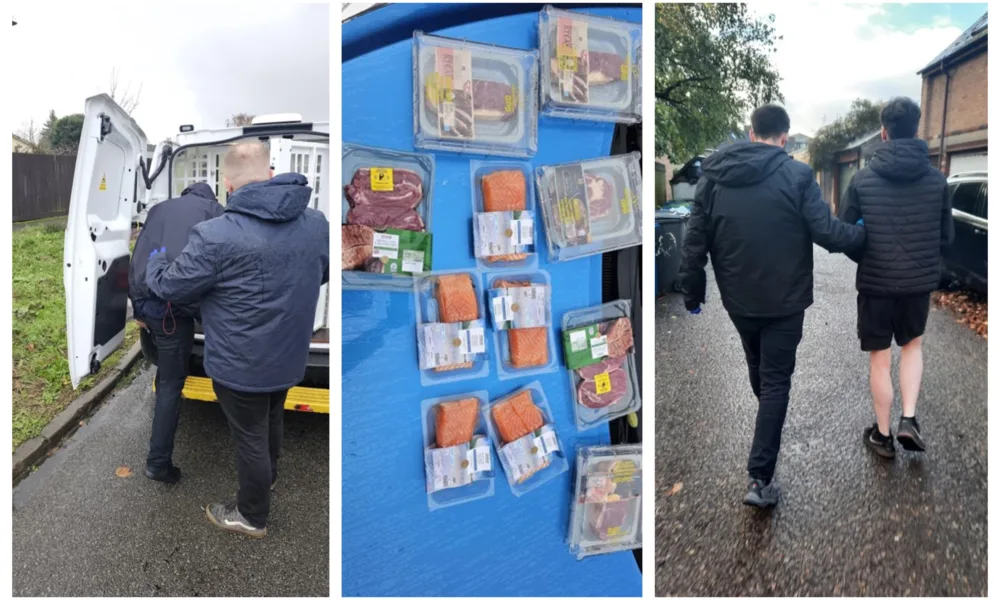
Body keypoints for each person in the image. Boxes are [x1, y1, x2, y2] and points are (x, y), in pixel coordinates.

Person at [680, 104, 866, 508]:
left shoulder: (713, 179)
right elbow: (827, 233)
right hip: (785, 301)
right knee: (776, 381)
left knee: (761, 372)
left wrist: (692, 293)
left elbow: (694, 243)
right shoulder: (797, 175)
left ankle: (767, 437)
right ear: (784, 137)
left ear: (751, 133)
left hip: (740, 300)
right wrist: (863, 237)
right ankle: (760, 478)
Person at [145, 142, 330, 537]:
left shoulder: (216, 235)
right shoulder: (316, 223)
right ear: (269, 172)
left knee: (249, 436)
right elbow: (321, 271)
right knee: (272, 417)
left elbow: (173, 287)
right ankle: (269, 478)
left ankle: (250, 516)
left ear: (227, 183)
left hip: (240, 364)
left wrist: (157, 262)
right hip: (289, 355)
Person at [838, 97, 953, 459]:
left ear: (883, 133)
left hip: (875, 284)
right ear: (917, 129)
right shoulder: (937, 181)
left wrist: (866, 255)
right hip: (917, 285)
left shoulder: (861, 179)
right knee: (912, 347)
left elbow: (846, 234)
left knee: (880, 358)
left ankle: (883, 436)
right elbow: (946, 238)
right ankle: (909, 419)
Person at [128, 182, 224, 484]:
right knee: (173, 385)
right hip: (180, 311)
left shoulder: (158, 209)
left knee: (167, 380)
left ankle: (159, 462)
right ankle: (157, 464)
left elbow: (137, 259)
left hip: (153, 309)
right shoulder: (215, 211)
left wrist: (139, 310)